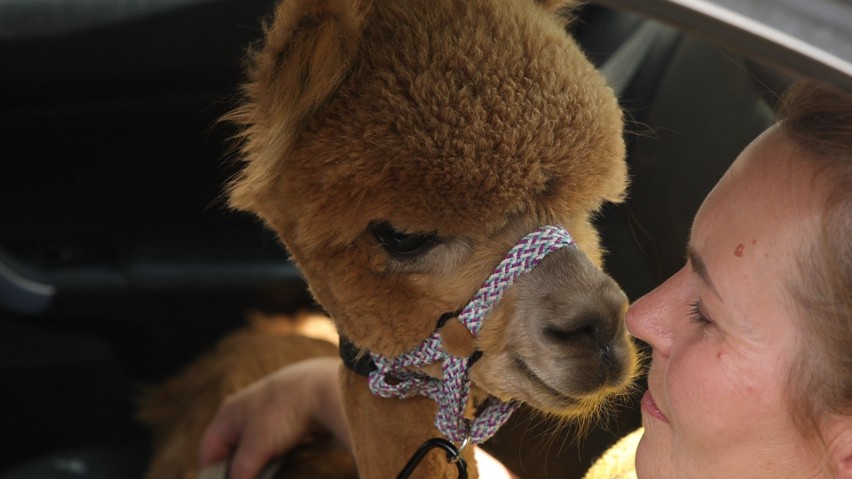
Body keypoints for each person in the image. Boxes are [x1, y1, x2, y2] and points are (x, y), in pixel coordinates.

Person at [198, 79, 852, 478]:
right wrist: (351, 400)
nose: (642, 312)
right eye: (681, 266)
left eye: (706, 312)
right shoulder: (654, 460)